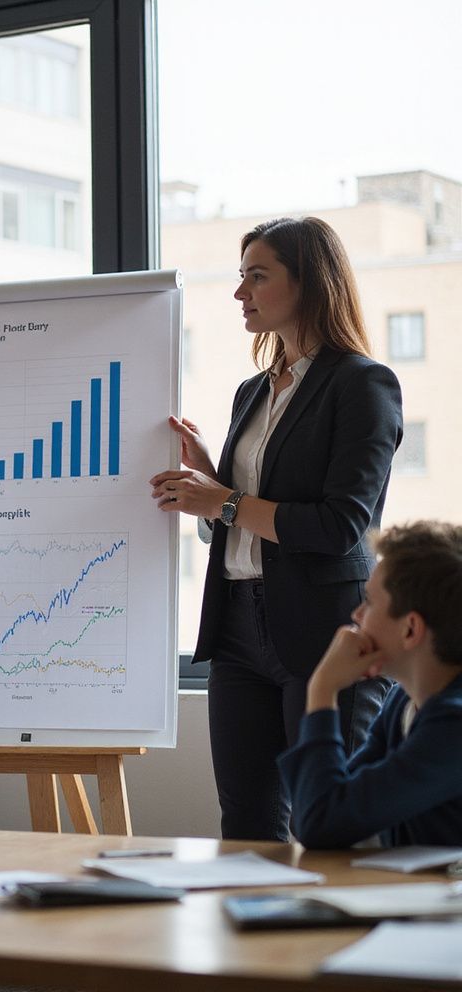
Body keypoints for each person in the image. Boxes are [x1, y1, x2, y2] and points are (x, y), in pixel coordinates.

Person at [149, 216, 402, 841]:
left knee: (329, 828)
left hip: (324, 631)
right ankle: (253, 937)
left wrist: (226, 500)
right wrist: (211, 485)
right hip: (237, 629)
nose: (241, 294)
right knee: (246, 824)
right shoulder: (251, 392)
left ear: (311, 283)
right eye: (241, 279)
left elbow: (344, 524)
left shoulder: (362, 384)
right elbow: (236, 525)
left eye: (257, 278)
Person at [279, 522, 462, 848]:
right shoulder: (402, 703)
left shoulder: (453, 725)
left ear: (410, 629)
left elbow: (321, 823)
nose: (357, 614)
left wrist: (321, 690)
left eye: (370, 602)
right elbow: (324, 806)